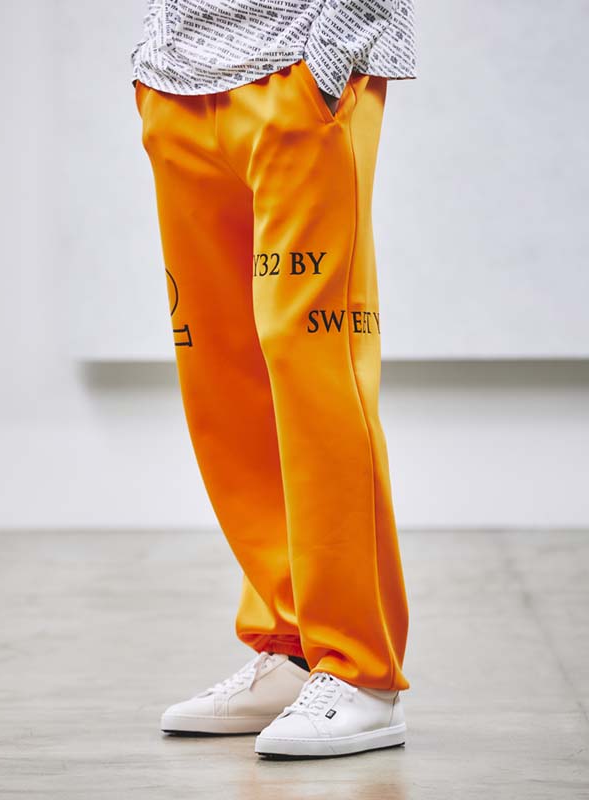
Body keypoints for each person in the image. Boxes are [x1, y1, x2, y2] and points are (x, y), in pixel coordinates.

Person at [130, 0, 416, 759]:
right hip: (176, 82)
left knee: (314, 368)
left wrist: (335, 47)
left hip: (302, 68)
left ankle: (360, 669)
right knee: (223, 377)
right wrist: (153, 55)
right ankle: (293, 649)